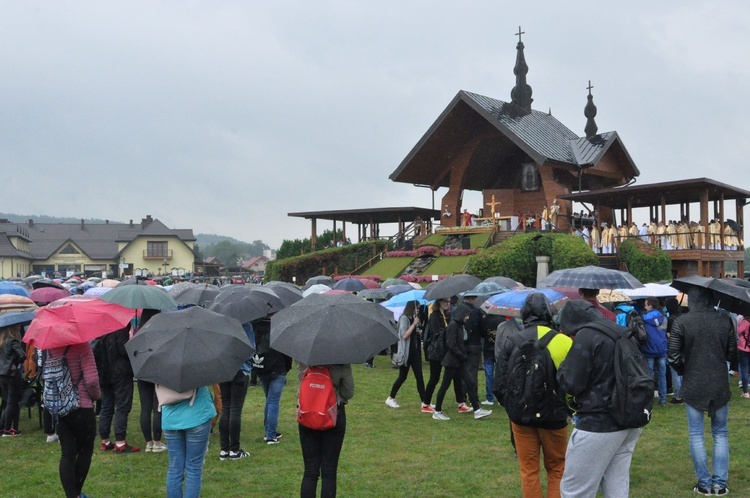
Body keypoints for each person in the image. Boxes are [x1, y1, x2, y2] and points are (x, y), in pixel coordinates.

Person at [556, 300, 643, 497]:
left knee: (575, 491)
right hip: (629, 418)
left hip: (598, 423)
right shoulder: (620, 331)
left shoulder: (587, 335)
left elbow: (571, 383)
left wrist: (562, 367)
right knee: (616, 487)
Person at [496, 293, 572, 498]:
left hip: (521, 415)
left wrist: (513, 405)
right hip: (554, 415)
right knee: (557, 469)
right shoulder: (563, 341)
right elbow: (574, 382)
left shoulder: (511, 341)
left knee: (528, 471)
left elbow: (499, 383)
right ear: (549, 313)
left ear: (524, 314)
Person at [668, 287, 737, 496]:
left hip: (693, 381)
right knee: (720, 433)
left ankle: (705, 484)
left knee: (697, 434)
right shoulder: (724, 320)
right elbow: (732, 352)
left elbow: (672, 356)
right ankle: (719, 485)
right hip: (718, 381)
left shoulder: (682, 322)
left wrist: (684, 370)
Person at [48, 341, 101, 498]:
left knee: (67, 454)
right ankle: (76, 494)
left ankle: (72, 495)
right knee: (85, 451)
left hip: (61, 408)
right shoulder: (82, 346)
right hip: (82, 406)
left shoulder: (50, 348)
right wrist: (97, 396)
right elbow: (91, 380)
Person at [298, 362, 354, 498]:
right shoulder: (341, 361)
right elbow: (348, 392)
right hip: (333, 414)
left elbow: (301, 381)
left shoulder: (304, 360)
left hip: (308, 413)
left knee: (310, 470)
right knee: (329, 470)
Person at [431, 304, 492, 421]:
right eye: (467, 315)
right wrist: (462, 355)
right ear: (462, 314)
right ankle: (437, 411)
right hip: (452, 361)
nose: (468, 318)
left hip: (458, 361)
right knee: (445, 386)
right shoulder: (453, 326)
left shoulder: (459, 325)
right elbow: (451, 344)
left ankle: (477, 410)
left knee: (470, 383)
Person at [162, 385, 217, 498]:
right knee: (193, 468)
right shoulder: (198, 367)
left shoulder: (160, 368)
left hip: (171, 418)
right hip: (197, 415)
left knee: (175, 467)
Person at [98, 325, 139, 453]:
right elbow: (123, 349)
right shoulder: (121, 324)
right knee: (122, 406)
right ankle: (120, 442)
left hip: (103, 370)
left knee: (106, 405)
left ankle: (105, 440)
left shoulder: (101, 324)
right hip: (120, 371)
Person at [253, 316, 292, 445]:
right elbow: (287, 351)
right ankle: (270, 434)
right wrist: (286, 368)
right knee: (273, 402)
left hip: (262, 367)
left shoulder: (256, 325)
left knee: (270, 401)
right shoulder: (281, 326)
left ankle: (270, 431)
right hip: (277, 368)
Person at [218, 322, 254, 460]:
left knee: (226, 408)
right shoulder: (245, 325)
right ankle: (234, 449)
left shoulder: (220, 324)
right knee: (234, 410)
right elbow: (250, 349)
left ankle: (224, 450)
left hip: (224, 371)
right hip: (240, 370)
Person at [135, 309, 166, 453]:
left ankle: (148, 442)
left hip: (142, 371)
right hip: (157, 371)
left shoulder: (139, 333)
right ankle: (157, 441)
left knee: (145, 408)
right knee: (157, 407)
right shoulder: (161, 333)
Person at [385, 301, 427, 411]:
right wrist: (414, 325)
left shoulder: (413, 317)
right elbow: (404, 335)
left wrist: (418, 331)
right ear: (411, 307)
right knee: (402, 377)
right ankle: (391, 397)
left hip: (414, 352)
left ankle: (424, 402)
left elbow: (411, 333)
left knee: (419, 377)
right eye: (416, 308)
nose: (417, 310)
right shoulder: (404, 318)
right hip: (406, 353)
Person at [641, 297, 668, 406]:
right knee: (662, 375)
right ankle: (662, 400)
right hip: (662, 349)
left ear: (650, 306)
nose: (644, 307)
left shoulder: (643, 318)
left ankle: (649, 399)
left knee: (649, 375)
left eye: (646, 305)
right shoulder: (664, 317)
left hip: (648, 349)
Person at [0, 324, 26, 437]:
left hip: (2, 374)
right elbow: (22, 355)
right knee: (12, 402)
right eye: (18, 326)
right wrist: (15, 364)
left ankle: (2, 427)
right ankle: (8, 429)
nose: (20, 327)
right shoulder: (13, 341)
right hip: (11, 375)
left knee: (7, 402)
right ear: (13, 329)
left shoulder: (1, 342)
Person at [737, 314, 750, 399]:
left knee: (744, 370)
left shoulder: (745, 322)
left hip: (743, 348)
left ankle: (745, 392)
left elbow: (737, 331)